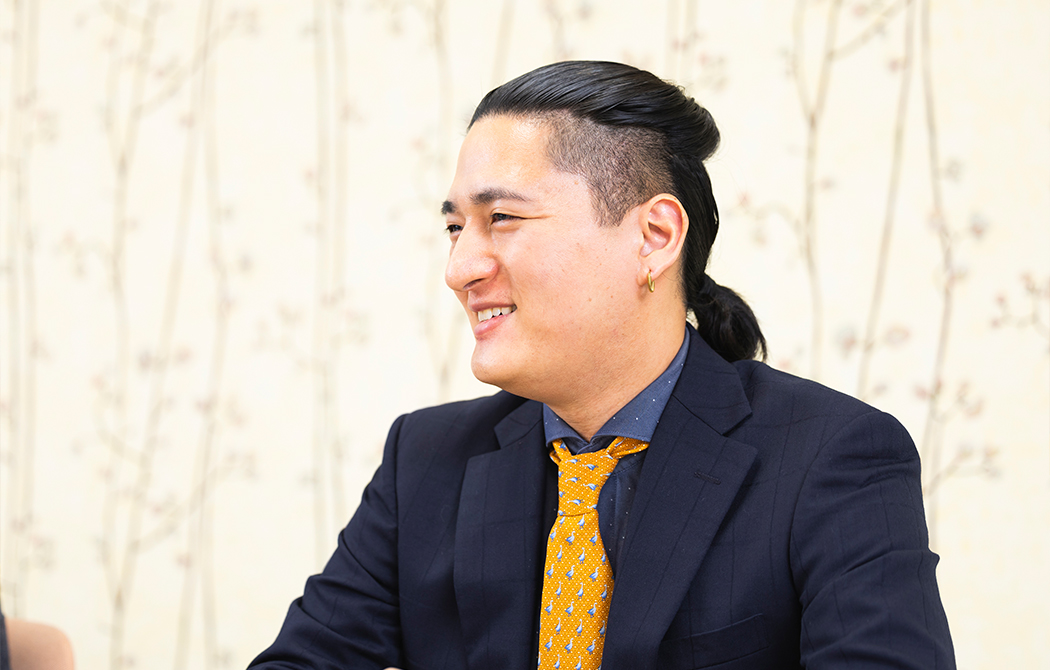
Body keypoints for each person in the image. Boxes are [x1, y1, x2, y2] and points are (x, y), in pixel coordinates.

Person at [249, 61, 954, 670]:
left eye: (502, 219)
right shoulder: (424, 462)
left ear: (654, 236)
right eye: (455, 227)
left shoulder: (833, 458)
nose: (459, 268)